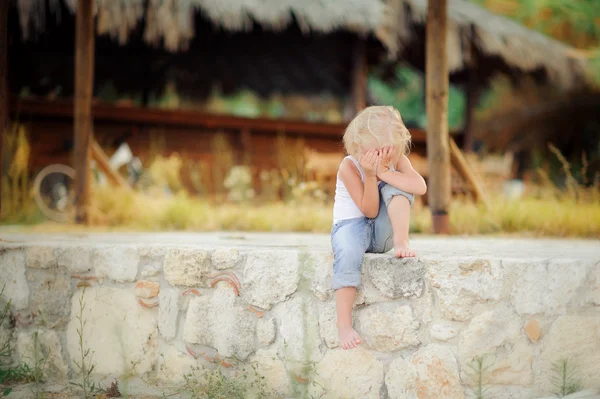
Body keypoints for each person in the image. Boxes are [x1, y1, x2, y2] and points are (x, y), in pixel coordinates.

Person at [331, 105, 427, 350]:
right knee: (348, 253)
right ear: (359, 145)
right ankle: (344, 323)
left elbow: (420, 187)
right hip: (351, 226)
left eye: (388, 151)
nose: (382, 157)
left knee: (400, 186)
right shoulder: (349, 167)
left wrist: (386, 172)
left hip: (382, 236)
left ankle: (402, 241)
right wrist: (371, 175)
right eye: (375, 151)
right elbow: (369, 211)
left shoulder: (397, 161)